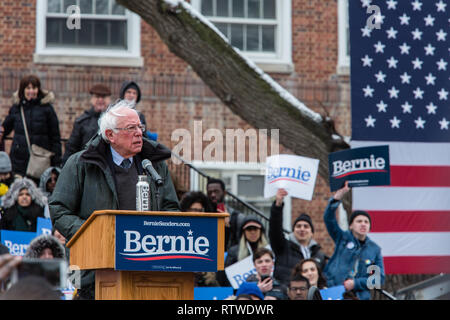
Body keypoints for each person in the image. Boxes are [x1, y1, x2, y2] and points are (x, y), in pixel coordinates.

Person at [49, 100, 180, 299]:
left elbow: (171, 207)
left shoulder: (154, 165)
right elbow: (59, 209)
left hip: (146, 267)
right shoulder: (80, 163)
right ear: (110, 135)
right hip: (93, 270)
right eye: (131, 128)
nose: (139, 133)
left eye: (140, 127)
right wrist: (92, 234)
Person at [323, 181, 385, 300]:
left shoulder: (374, 249)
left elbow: (379, 278)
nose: (363, 224)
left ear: (369, 228)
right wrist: (336, 199)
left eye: (366, 222)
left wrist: (356, 283)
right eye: (359, 221)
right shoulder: (342, 237)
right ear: (351, 225)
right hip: (334, 291)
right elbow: (329, 219)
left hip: (359, 296)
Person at [0, 74, 61, 178]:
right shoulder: (17, 108)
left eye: (34, 88)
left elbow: (55, 137)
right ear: (22, 90)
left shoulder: (47, 109)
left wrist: (56, 163)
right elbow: (5, 128)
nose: (31, 91)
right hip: (18, 161)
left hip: (40, 162)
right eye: (28, 88)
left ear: (38, 89)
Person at [269, 188, 327, 286]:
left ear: (312, 232)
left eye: (306, 226)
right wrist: (278, 206)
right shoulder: (283, 247)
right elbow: (275, 228)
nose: (302, 229)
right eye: (298, 226)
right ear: (293, 230)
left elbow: (323, 278)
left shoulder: (319, 255)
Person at [61, 83, 111, 165]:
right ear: (92, 99)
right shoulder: (82, 122)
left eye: (104, 97)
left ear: (109, 99)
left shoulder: (114, 121)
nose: (101, 100)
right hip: (86, 164)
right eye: (97, 97)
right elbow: (72, 148)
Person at [218, 216, 269, 286]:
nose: (252, 232)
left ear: (261, 231)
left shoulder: (268, 250)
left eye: (256, 229)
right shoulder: (234, 252)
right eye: (249, 229)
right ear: (243, 232)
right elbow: (226, 276)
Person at [206, 178, 244, 251]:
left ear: (224, 193)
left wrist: (228, 226)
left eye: (216, 191)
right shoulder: (203, 215)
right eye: (209, 192)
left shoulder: (236, 217)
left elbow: (241, 243)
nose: (213, 195)